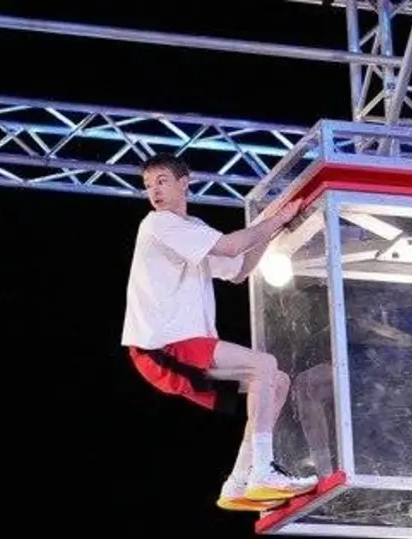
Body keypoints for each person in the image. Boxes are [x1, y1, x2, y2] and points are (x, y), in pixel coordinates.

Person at [120, 153, 321, 513]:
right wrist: (278, 218)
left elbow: (239, 268)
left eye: (161, 181)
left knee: (276, 381)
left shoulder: (191, 230)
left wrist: (275, 228)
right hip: (161, 347)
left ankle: (239, 481)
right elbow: (231, 245)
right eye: (148, 185)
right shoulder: (158, 224)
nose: (154, 191)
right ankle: (262, 470)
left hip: (186, 346)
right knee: (264, 365)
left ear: (184, 183)